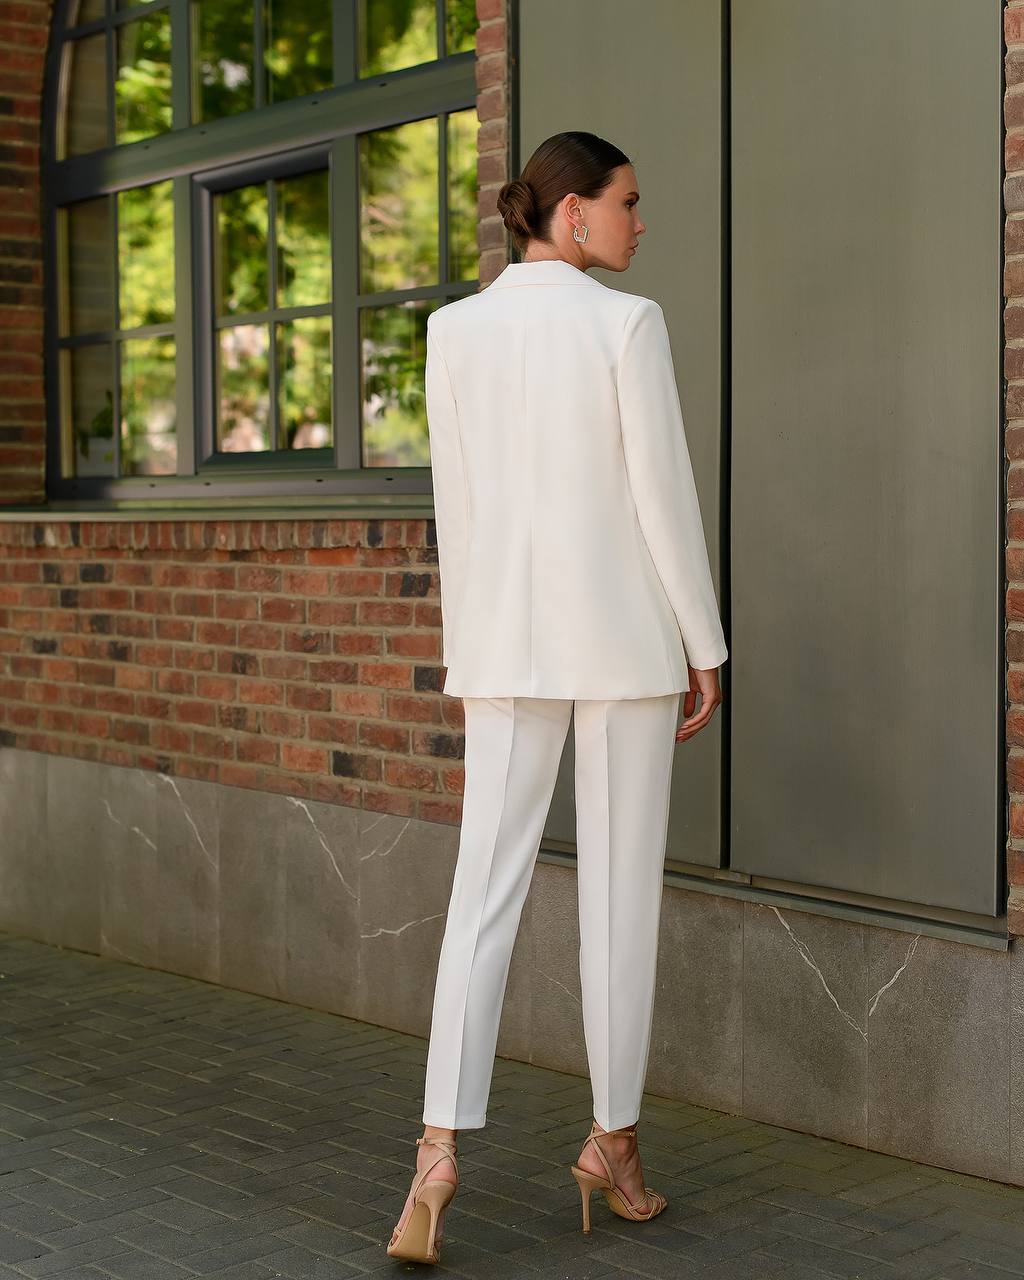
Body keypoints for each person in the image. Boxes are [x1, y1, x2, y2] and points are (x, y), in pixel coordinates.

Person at [386, 130, 728, 1264]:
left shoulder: (453, 330)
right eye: (628, 202)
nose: (640, 221)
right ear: (573, 212)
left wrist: (470, 648)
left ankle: (436, 1154)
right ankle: (612, 1145)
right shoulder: (626, 324)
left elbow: (457, 509)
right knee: (619, 900)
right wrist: (704, 643)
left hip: (503, 646)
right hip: (622, 645)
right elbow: (662, 497)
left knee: (480, 894)